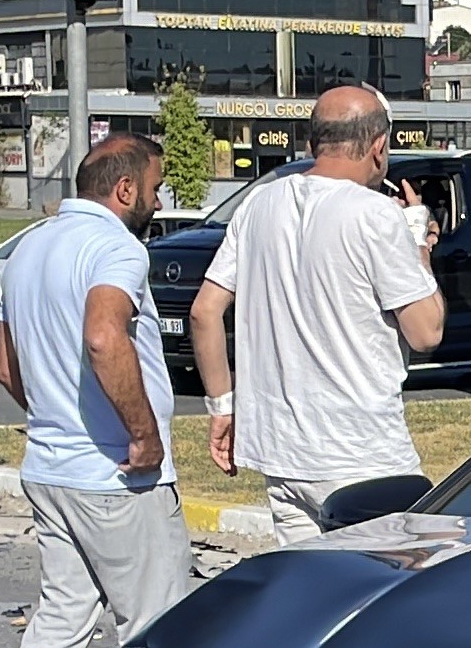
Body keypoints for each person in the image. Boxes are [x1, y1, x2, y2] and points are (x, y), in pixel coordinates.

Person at [0, 133, 192, 648]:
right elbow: (104, 337)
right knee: (159, 632)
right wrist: (143, 433)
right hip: (116, 478)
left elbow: (5, 353)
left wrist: (50, 418)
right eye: (154, 188)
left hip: (52, 469)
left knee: (60, 623)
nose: (159, 201)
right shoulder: (118, 250)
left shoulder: (32, 245)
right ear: (124, 190)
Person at [187, 86, 446, 542]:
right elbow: (427, 331)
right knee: (388, 594)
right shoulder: (374, 215)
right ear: (378, 147)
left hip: (281, 454)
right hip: (361, 455)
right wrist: (419, 245)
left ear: (312, 144)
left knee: (314, 598)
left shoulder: (258, 204)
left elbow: (205, 311)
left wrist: (222, 407)